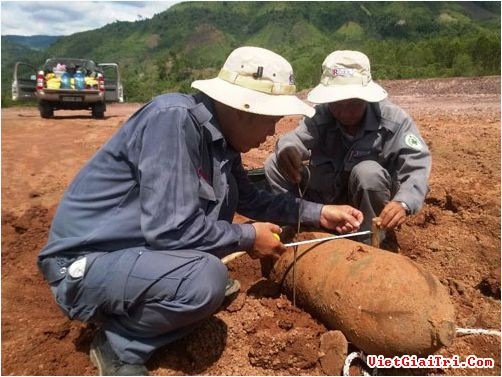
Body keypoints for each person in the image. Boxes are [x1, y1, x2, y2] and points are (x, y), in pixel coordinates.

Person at [38, 46, 363, 376]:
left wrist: (318, 212)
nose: (270, 135)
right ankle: (120, 342)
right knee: (205, 280)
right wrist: (249, 236)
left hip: (133, 255)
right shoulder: (172, 121)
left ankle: (152, 295)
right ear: (243, 109)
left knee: (208, 280)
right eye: (270, 122)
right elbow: (170, 230)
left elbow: (252, 199)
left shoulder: (221, 141)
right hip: (85, 264)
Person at [265, 50, 431, 247]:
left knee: (368, 173)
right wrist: (289, 150)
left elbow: (417, 166)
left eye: (353, 104)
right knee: (274, 163)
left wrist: (403, 203)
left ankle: (369, 240)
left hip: (366, 203)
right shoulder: (321, 115)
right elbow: (296, 139)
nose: (344, 112)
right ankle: (300, 222)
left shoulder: (394, 121)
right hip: (328, 200)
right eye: (337, 104)